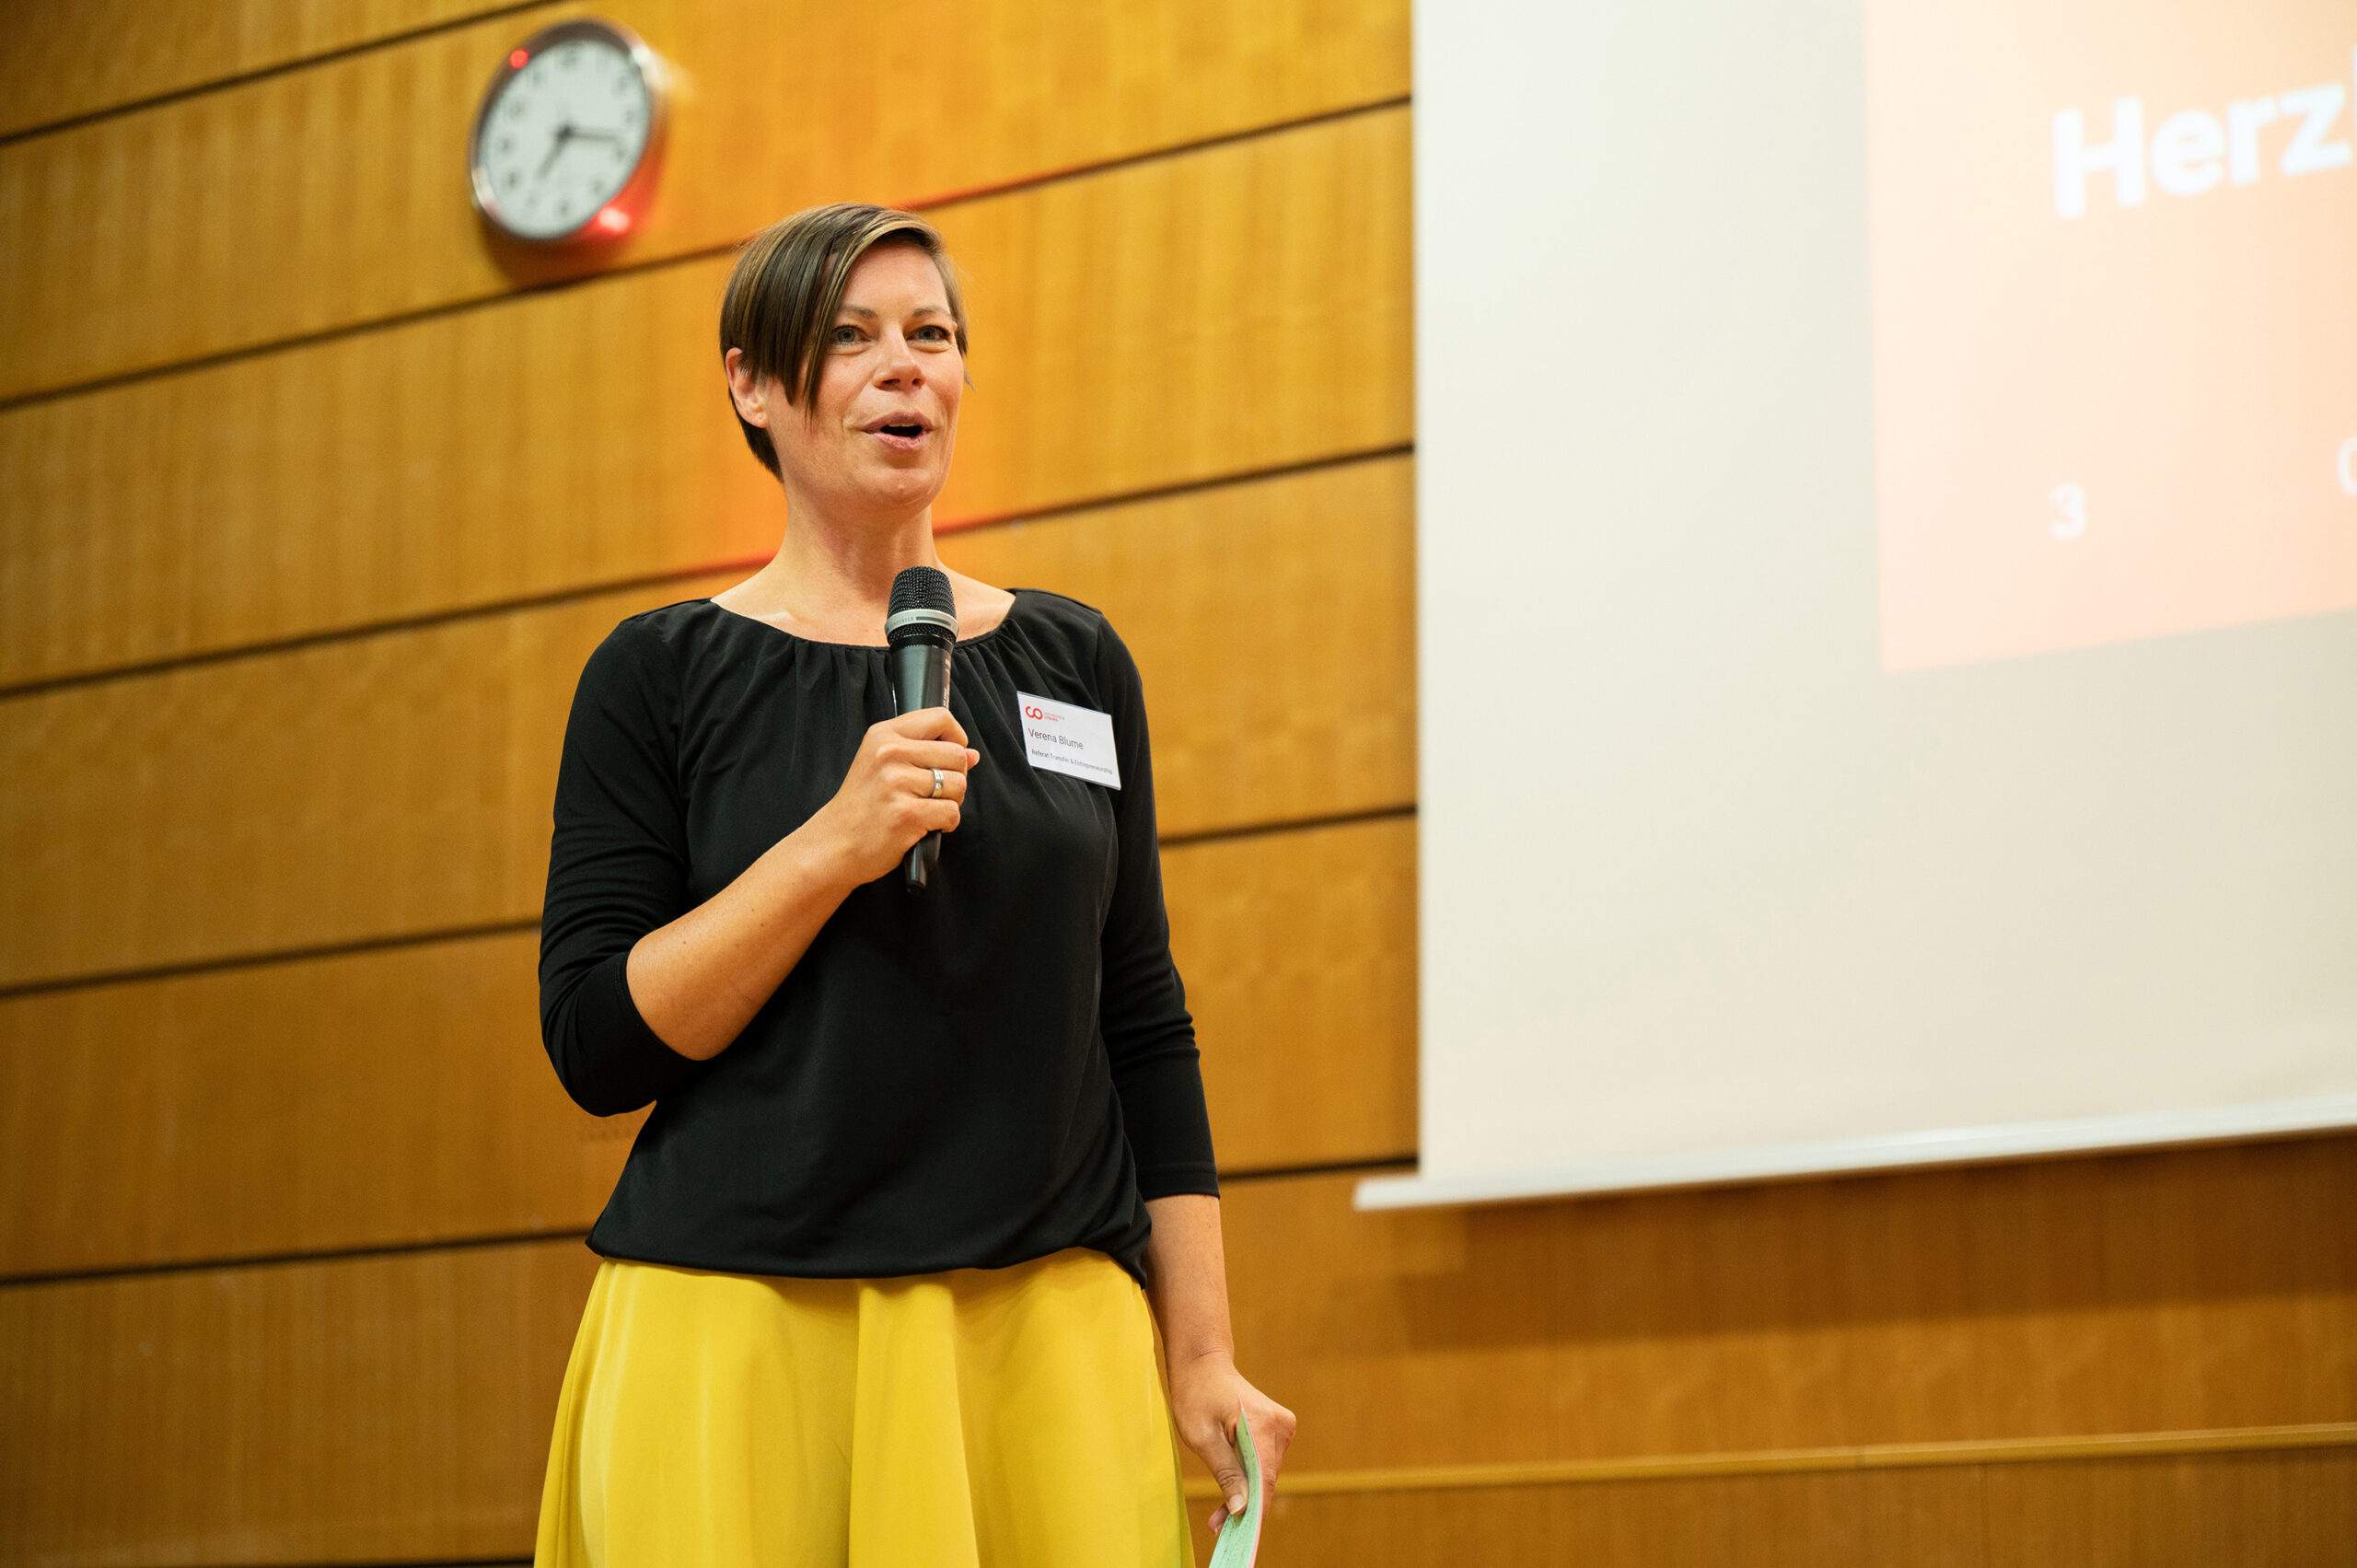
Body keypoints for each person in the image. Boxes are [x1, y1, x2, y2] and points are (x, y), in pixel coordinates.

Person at [531, 201, 1295, 1566]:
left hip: (1041, 1334)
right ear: (752, 383)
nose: (907, 367)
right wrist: (831, 847)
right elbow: (597, 1042)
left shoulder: (1074, 661)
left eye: (932, 335)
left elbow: (1143, 1022)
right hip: (741, 1334)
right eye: (852, 338)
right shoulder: (657, 676)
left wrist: (1204, 1356)